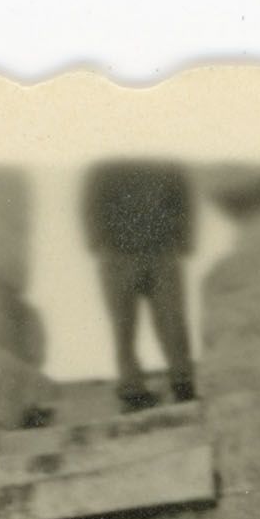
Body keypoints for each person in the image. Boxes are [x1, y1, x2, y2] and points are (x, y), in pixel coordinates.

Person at [80, 160, 199, 409]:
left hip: (162, 251)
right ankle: (132, 390)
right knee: (123, 326)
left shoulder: (163, 160)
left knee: (172, 319)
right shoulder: (106, 164)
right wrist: (98, 243)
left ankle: (183, 382)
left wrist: (185, 241)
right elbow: (90, 202)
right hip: (118, 254)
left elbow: (182, 196)